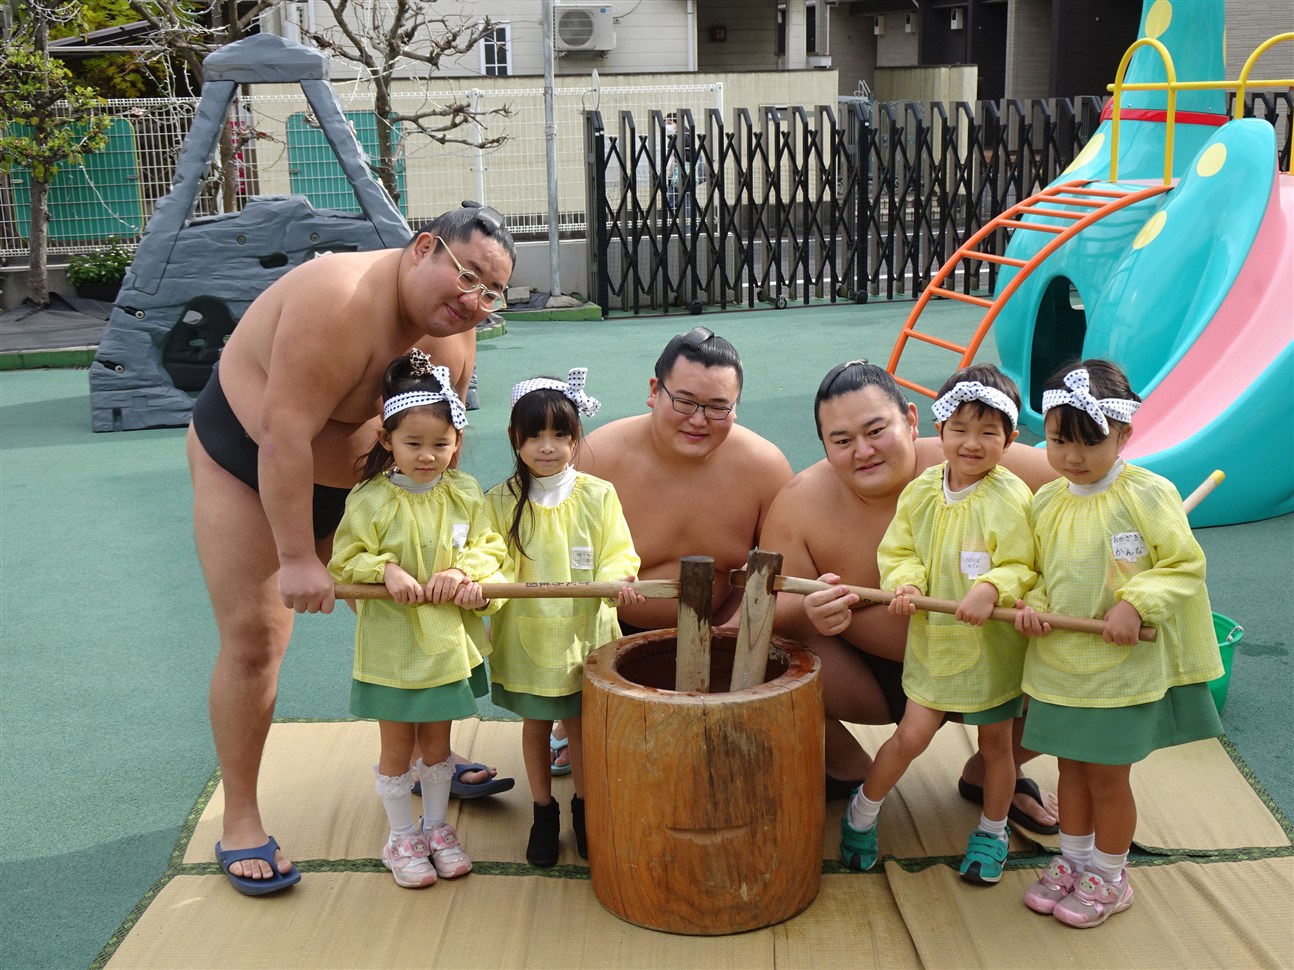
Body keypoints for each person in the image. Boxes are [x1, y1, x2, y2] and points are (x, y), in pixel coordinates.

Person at [188, 202, 515, 894]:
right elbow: (283, 436)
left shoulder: (455, 330)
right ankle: (240, 818)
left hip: (375, 491)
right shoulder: (336, 300)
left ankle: (431, 755)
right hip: (248, 465)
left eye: (492, 292)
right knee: (254, 643)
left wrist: (449, 545)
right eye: (467, 277)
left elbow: (446, 444)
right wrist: (298, 557)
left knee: (423, 613)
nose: (475, 301)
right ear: (423, 248)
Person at [760, 359, 1061, 831]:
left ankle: (991, 769)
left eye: (876, 430)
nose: (863, 451)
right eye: (842, 441)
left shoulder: (982, 458)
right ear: (824, 446)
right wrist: (807, 609)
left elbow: (1096, 484)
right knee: (762, 658)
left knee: (1104, 654)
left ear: (913, 420)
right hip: (873, 678)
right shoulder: (801, 502)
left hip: (998, 665)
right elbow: (762, 607)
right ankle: (845, 765)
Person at [1014, 359, 1222, 928]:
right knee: (1070, 771)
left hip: (1119, 671)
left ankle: (1110, 875)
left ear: (1124, 435)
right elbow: (1035, 570)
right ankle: (1074, 861)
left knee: (1107, 777)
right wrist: (1031, 604)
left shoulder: (1148, 493)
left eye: (1089, 442)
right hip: (1061, 665)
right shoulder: (1046, 500)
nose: (1072, 457)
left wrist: (1136, 602)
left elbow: (1183, 565)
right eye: (1059, 441)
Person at [839, 364, 1036, 887]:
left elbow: (1023, 563)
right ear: (938, 429)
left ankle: (992, 831)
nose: (972, 443)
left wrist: (991, 588)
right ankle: (862, 812)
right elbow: (899, 549)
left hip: (992, 651)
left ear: (1010, 439)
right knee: (910, 737)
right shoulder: (922, 490)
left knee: (997, 748)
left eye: (988, 432)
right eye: (960, 429)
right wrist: (905, 583)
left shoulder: (1011, 497)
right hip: (935, 644)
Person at [327, 352, 506, 888]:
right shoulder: (369, 499)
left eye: (441, 444)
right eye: (414, 443)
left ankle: (436, 828)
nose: (428, 456)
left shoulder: (464, 491)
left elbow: (491, 547)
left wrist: (463, 570)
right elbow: (344, 558)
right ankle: (401, 837)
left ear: (456, 442)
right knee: (396, 747)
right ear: (387, 441)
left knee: (436, 745)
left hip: (446, 642)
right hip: (393, 644)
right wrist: (385, 570)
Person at [483, 369, 644, 867]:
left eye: (559, 434)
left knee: (579, 727)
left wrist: (616, 579)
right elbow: (489, 559)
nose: (547, 446)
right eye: (534, 435)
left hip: (584, 633)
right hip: (528, 633)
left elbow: (618, 551)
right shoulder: (500, 501)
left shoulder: (599, 495)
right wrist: (482, 586)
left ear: (576, 437)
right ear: (515, 437)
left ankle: (584, 808)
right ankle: (543, 811)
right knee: (536, 724)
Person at [575, 326, 793, 634]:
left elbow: (788, 572)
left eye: (717, 407)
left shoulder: (764, 467)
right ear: (654, 391)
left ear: (735, 408)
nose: (698, 420)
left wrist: (732, 633)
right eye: (684, 401)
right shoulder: (596, 459)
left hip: (726, 628)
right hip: (606, 630)